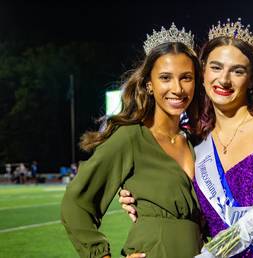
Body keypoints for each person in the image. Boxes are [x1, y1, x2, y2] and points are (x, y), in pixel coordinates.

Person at [122, 19, 253, 258]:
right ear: (203, 71)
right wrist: (138, 199)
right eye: (216, 67)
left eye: (237, 71)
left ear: (251, 78)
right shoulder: (194, 140)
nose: (224, 80)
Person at [60, 23, 203, 258]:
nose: (177, 88)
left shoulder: (196, 142)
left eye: (186, 77)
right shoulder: (130, 137)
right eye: (165, 77)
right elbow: (76, 204)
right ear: (149, 84)